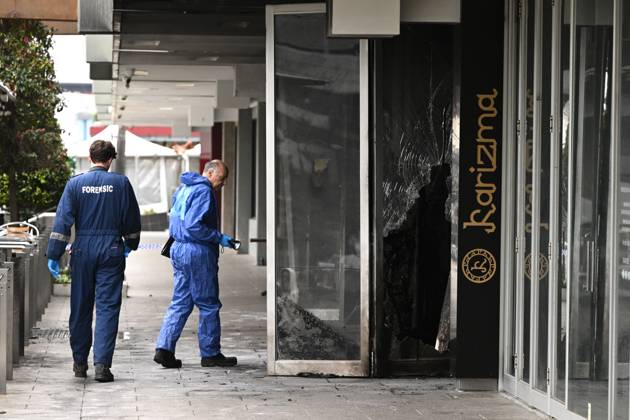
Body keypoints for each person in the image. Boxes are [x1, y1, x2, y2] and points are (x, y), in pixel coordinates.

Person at [46, 140, 141, 382]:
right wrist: (130, 244)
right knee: (108, 307)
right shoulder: (120, 183)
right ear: (110, 160)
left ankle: (79, 363)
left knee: (80, 307)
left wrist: (54, 254)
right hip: (111, 249)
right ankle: (102, 366)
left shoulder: (75, 184)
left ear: (90, 157)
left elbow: (62, 223)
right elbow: (131, 218)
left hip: (83, 250)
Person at [154, 160, 238, 369]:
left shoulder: (184, 189)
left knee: (181, 300)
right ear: (210, 173)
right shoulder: (204, 191)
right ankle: (210, 354)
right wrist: (218, 237)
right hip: (196, 251)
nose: (223, 183)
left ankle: (164, 349)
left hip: (179, 249)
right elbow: (193, 225)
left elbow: (176, 220)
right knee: (209, 303)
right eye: (221, 178)